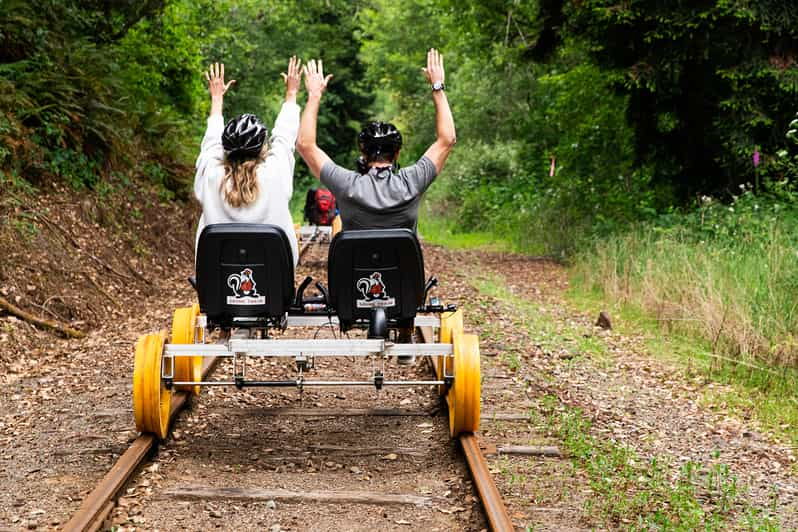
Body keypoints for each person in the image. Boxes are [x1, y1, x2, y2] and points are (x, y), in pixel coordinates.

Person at [296, 48, 456, 233]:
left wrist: (314, 96)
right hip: (402, 263)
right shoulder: (412, 181)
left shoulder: (346, 185)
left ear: (363, 153)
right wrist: (437, 86)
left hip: (356, 262)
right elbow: (447, 139)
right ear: (397, 153)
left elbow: (305, 145)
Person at [194, 58, 302, 265]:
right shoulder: (276, 171)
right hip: (274, 286)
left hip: (218, 285)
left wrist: (217, 100)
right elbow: (285, 137)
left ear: (225, 150)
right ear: (263, 149)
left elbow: (210, 144)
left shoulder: (211, 176)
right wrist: (291, 93)